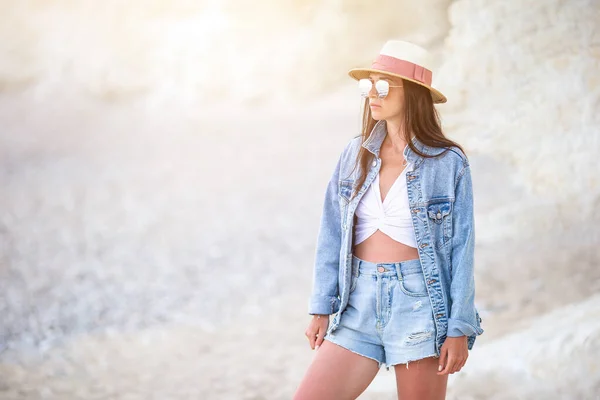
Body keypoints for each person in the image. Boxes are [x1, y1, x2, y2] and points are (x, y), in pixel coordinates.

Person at [293, 40, 484, 400]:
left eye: (382, 86)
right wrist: (321, 305)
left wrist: (459, 327)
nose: (371, 95)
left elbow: (462, 250)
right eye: (367, 86)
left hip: (419, 304)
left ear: (412, 93)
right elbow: (332, 232)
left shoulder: (448, 162)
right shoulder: (355, 152)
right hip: (357, 302)